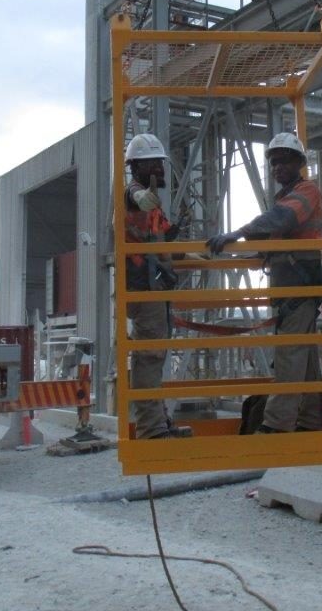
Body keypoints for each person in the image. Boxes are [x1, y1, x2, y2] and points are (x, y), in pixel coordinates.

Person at [205, 132, 322, 434]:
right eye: (273, 162)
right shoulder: (285, 198)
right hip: (289, 293)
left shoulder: (306, 191)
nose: (277, 167)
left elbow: (281, 220)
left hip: (299, 291)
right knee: (304, 360)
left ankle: (275, 427)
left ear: (299, 162)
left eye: (284, 160)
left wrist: (238, 233)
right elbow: (275, 238)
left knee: (290, 358)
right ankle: (311, 422)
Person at [123, 132, 189, 440]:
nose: (161, 171)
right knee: (149, 356)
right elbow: (134, 196)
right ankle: (151, 429)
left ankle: (159, 422)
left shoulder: (154, 207)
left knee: (156, 356)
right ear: (136, 167)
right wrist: (142, 197)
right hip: (144, 288)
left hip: (155, 288)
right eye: (154, 165)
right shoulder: (134, 193)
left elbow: (164, 242)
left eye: (160, 165)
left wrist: (195, 251)